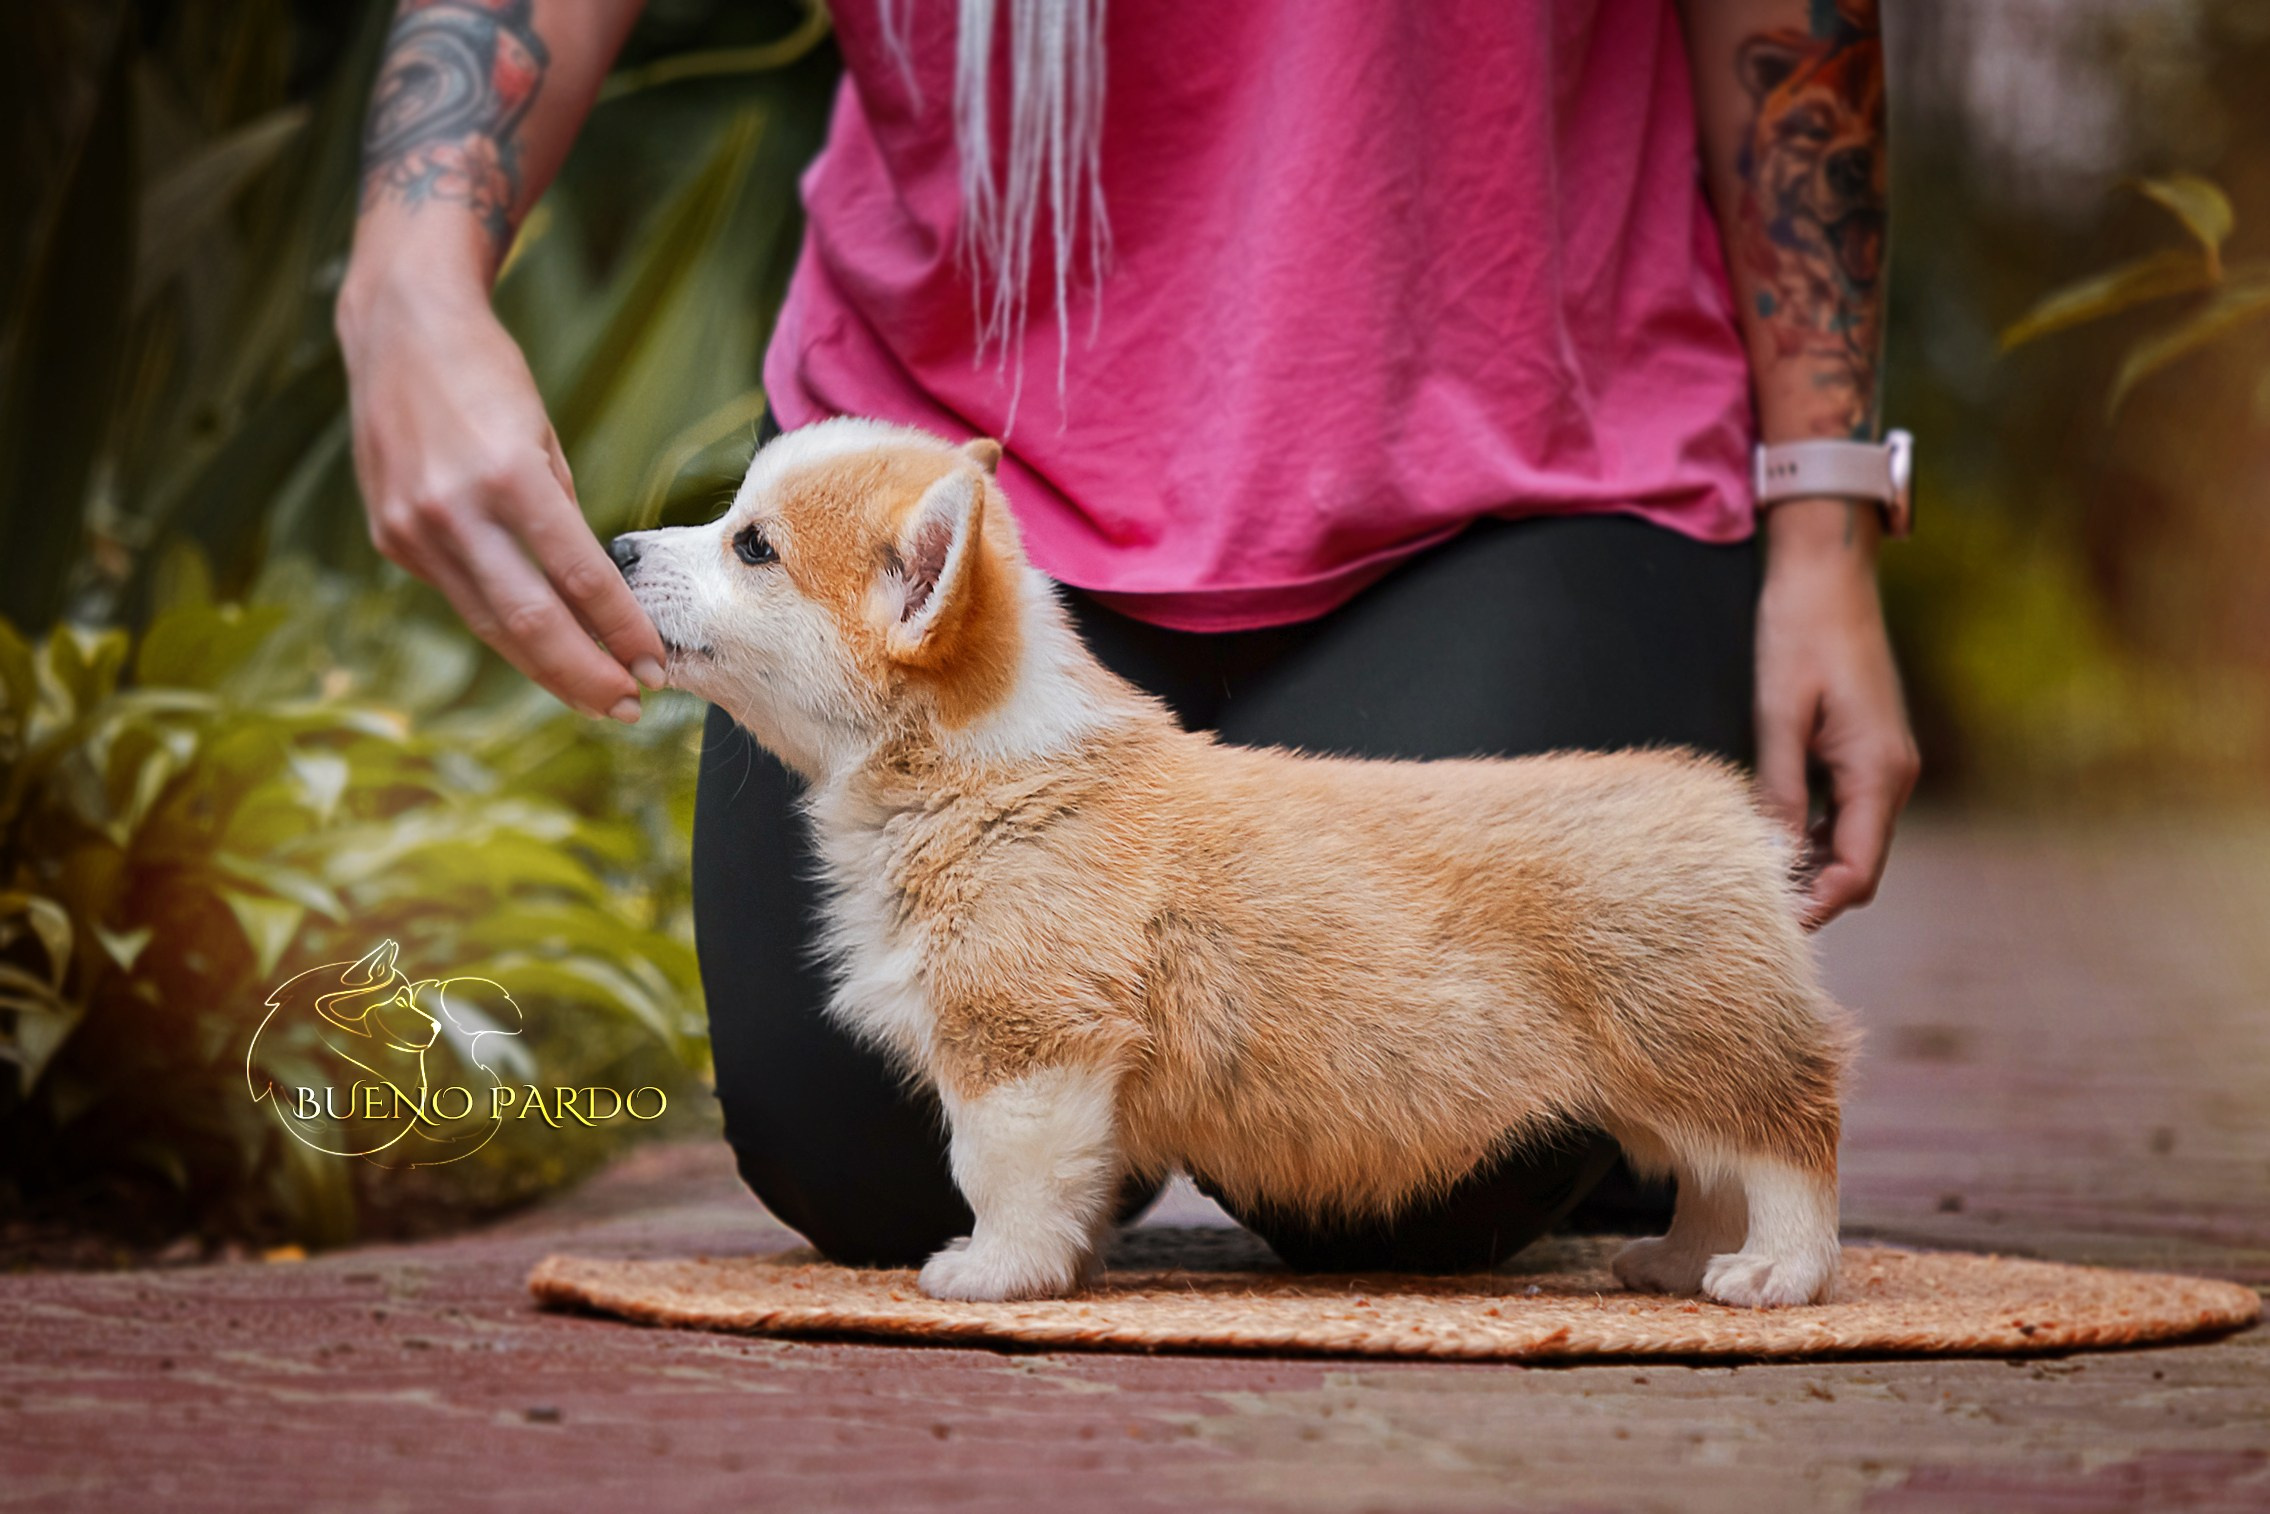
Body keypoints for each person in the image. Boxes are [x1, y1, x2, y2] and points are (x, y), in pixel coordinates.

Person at [336, 0, 1919, 1270]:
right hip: (948, 433)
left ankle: (1618, 1127)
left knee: (1418, 1178)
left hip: (1517, 452)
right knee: (868, 1158)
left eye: (735, 549)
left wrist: (1825, 520)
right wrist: (411, 271)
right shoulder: (894, 531)